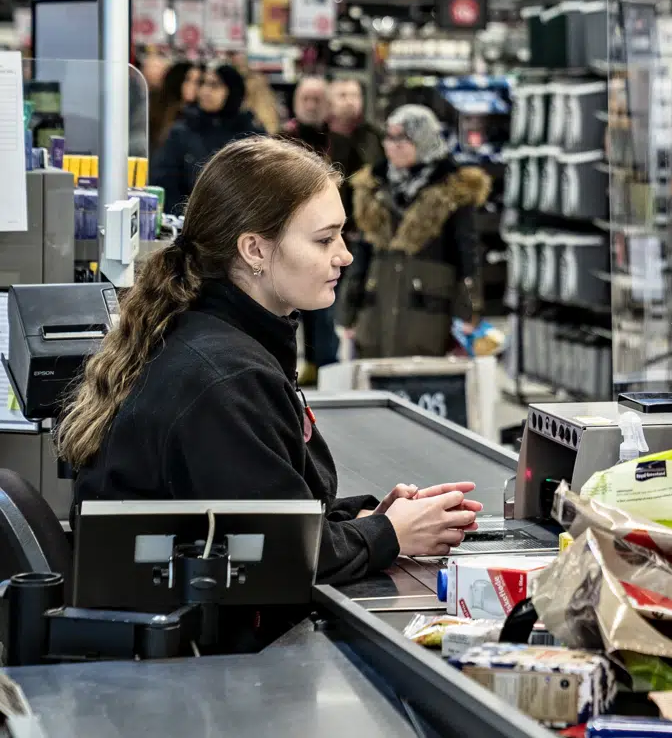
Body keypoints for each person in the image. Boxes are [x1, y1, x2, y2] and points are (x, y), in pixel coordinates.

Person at [61, 137, 481, 594]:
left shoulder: (209, 336)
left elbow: (246, 507)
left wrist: (367, 520)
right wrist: (390, 534)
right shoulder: (226, 378)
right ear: (254, 250)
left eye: (342, 235)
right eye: (324, 239)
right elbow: (274, 555)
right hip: (194, 650)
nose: (345, 255)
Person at [340, 105, 491, 358]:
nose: (394, 145)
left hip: (430, 315)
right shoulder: (373, 188)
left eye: (404, 138)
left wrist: (470, 311)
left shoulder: (452, 190)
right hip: (377, 312)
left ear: (423, 139)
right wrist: (347, 313)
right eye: (390, 137)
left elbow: (467, 254)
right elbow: (361, 256)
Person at [283, 76, 340, 382]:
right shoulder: (281, 140)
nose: (311, 104)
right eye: (306, 98)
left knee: (325, 309)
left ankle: (325, 366)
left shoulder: (341, 140)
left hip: (335, 236)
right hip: (293, 236)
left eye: (317, 98)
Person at [152, 63, 263, 213]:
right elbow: (164, 182)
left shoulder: (251, 135)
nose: (205, 91)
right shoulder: (183, 131)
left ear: (232, 91)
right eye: (202, 83)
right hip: (188, 222)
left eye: (214, 85)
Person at [327, 78, 384, 181]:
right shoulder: (319, 136)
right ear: (329, 101)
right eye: (342, 95)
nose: (349, 102)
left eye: (355, 96)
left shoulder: (373, 136)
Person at [149, 60, 198, 152]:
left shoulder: (197, 114)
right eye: (188, 80)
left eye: (198, 82)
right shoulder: (155, 107)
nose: (194, 86)